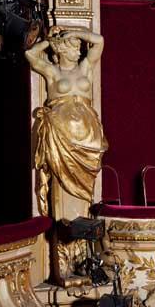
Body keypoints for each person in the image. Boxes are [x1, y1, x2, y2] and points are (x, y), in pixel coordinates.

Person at [25, 26, 108, 216]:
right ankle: (66, 222)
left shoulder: (85, 67)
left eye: (79, 47)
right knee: (61, 178)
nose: (79, 51)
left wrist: (75, 33)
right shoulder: (53, 72)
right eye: (74, 47)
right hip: (62, 133)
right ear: (61, 50)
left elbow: (99, 41)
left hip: (87, 133)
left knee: (88, 176)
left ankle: (83, 217)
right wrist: (50, 40)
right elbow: (31, 54)